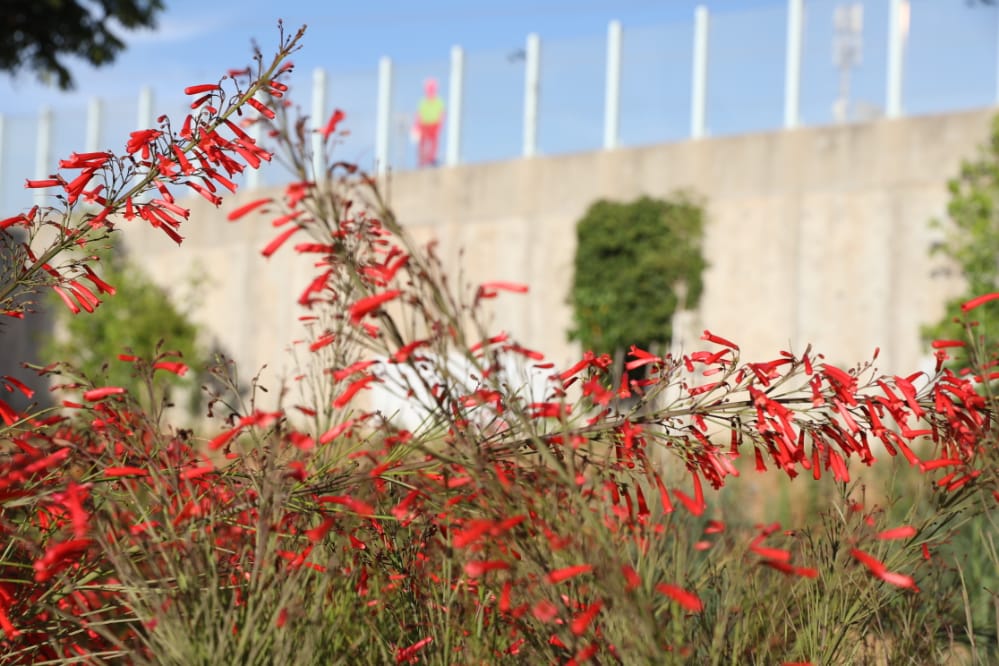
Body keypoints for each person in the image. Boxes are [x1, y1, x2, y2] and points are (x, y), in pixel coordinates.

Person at [413, 78, 444, 167]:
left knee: (433, 143)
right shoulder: (423, 102)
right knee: (422, 143)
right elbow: (418, 115)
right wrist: (417, 126)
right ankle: (422, 160)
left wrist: (440, 124)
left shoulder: (438, 102)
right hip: (424, 125)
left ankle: (431, 159)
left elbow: (442, 113)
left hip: (434, 125)